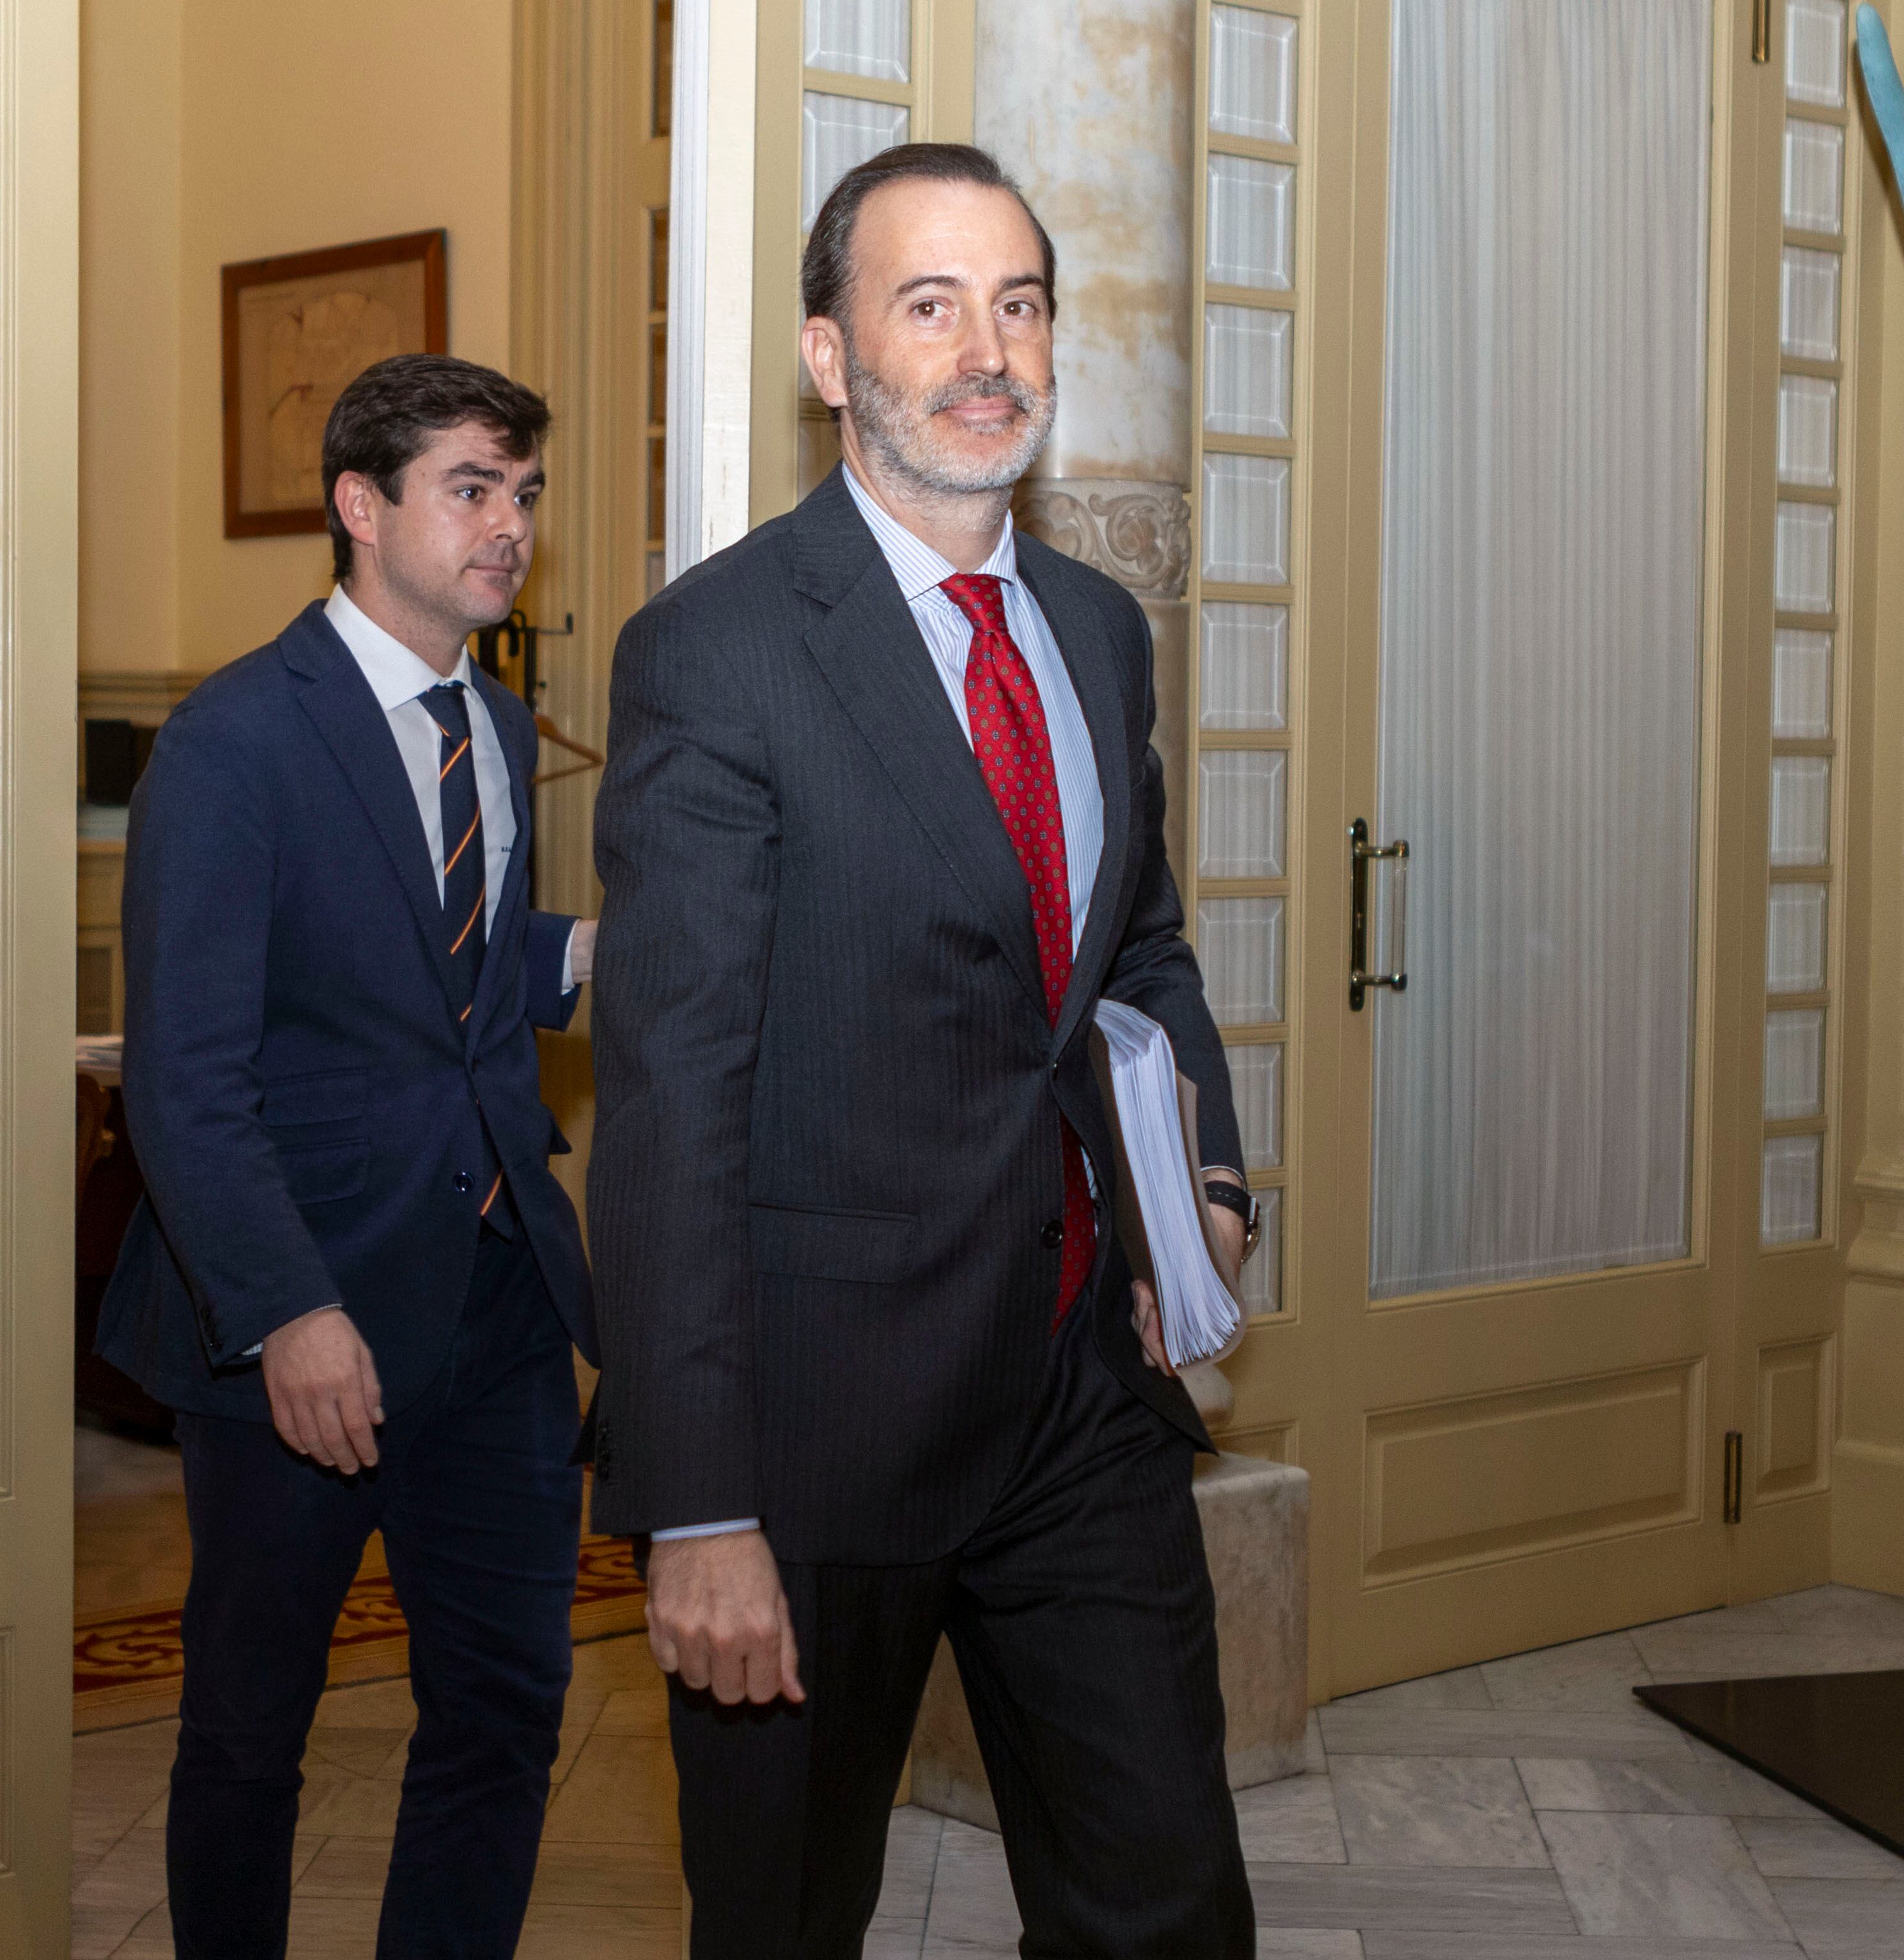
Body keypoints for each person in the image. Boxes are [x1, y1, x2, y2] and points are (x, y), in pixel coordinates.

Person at [586, 144, 1261, 1957]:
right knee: (789, 1920)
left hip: (1078, 1399)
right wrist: (700, 1503)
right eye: (932, 302)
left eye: (1020, 303)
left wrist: (1200, 1195)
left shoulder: (1104, 637)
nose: (990, 350)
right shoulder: (717, 654)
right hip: (812, 1438)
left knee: (1167, 1904)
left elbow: (1144, 951)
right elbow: (669, 1102)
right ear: (830, 358)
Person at [99, 354, 600, 1959]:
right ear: (359, 505)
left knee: (503, 1710)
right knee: (250, 1729)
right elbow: (184, 1072)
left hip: (500, 1298)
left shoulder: (499, 725)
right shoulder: (235, 739)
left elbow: (436, 965)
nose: (509, 524)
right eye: (471, 488)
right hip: (297, 1325)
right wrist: (285, 1311)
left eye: (523, 492)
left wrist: (603, 951)